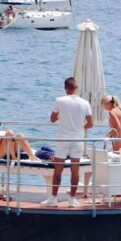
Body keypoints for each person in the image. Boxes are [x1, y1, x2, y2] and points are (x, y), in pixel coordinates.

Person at [42, 76, 93, 208]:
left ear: (65, 88)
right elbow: (91, 124)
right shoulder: (85, 103)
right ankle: (72, 199)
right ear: (76, 88)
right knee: (75, 170)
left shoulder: (60, 101)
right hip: (78, 138)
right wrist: (80, 128)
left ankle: (53, 199)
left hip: (63, 138)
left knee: (58, 169)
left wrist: (62, 114)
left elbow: (52, 119)